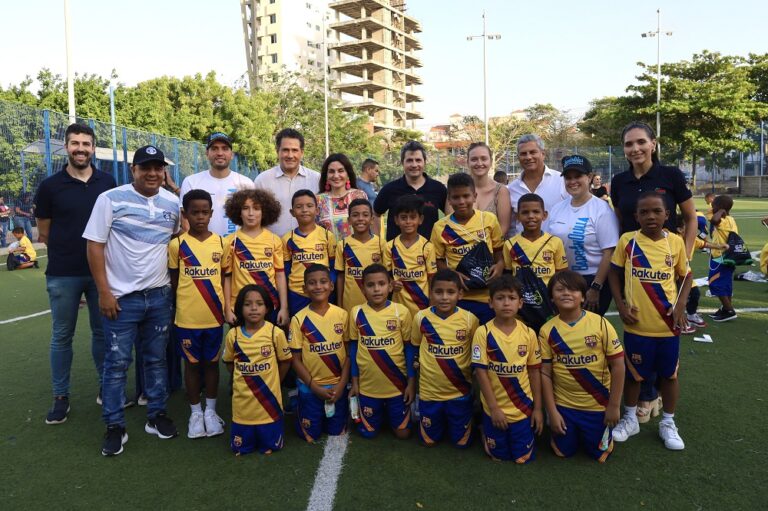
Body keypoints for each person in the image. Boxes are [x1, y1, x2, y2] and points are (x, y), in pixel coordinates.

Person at [84, 145, 181, 456]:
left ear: (164, 171)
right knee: (116, 365)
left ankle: (156, 415)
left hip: (159, 295)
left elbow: (178, 237)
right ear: (133, 170)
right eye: (145, 167)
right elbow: (95, 246)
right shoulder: (109, 199)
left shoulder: (172, 202)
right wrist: (104, 292)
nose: (152, 173)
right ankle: (115, 426)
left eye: (158, 167)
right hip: (121, 299)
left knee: (156, 360)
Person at [34, 123, 117, 424]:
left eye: (86, 143)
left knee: (102, 333)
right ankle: (60, 397)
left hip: (102, 274)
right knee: (61, 336)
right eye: (74, 143)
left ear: (93, 147)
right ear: (66, 147)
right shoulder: (50, 186)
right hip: (63, 274)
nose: (80, 148)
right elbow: (44, 232)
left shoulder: (107, 182)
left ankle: (105, 387)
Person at [608, 191, 692, 451]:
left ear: (668, 214)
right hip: (637, 325)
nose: (650, 216)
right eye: (644, 212)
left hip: (667, 325)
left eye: (657, 211)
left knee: (669, 376)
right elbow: (614, 273)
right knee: (635, 376)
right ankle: (630, 418)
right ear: (636, 216)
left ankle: (668, 422)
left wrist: (680, 304)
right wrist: (621, 305)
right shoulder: (628, 241)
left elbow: (686, 277)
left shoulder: (675, 242)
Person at [539, 271, 625, 462]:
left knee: (599, 454)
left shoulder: (601, 324)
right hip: (564, 407)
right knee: (563, 451)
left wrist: (613, 406)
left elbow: (618, 366)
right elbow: (545, 374)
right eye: (559, 289)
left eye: (573, 289)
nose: (566, 293)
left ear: (583, 296)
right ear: (552, 297)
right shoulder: (547, 331)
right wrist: (551, 412)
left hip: (597, 406)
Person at [168, 189, 230, 439]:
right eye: (195, 212)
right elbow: (174, 281)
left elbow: (225, 277)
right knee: (192, 365)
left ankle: (211, 412)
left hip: (214, 317)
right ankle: (195, 413)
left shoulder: (222, 243)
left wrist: (226, 309)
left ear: (212, 213)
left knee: (212, 364)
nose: (201, 217)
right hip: (187, 319)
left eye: (205, 212)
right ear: (185, 214)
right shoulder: (177, 245)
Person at [471, 275, 543, 463]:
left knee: (522, 458)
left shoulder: (528, 333)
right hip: (495, 409)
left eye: (511, 298)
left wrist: (538, 409)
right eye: (500, 298)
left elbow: (534, 372)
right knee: (498, 457)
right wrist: (494, 408)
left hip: (522, 407)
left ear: (520, 303)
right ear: (490, 303)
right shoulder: (483, 332)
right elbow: (481, 373)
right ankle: (484, 428)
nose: (506, 303)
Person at [410, 269, 479, 448]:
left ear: (460, 294)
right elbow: (415, 348)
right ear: (430, 293)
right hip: (429, 392)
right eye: (438, 292)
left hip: (460, 392)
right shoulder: (421, 318)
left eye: (450, 292)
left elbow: (475, 353)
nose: (444, 297)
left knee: (461, 444)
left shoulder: (470, 320)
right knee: (429, 441)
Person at [348, 264, 416, 439]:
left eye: (381, 284)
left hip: (397, 386)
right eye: (370, 285)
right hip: (368, 387)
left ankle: (391, 411)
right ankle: (379, 412)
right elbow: (354, 349)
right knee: (368, 433)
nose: (376, 289)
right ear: (362, 288)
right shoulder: (356, 312)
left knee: (403, 434)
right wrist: (354, 382)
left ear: (390, 286)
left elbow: (409, 349)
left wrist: (410, 382)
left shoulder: (401, 312)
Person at [223, 284, 292, 455]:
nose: (254, 308)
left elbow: (285, 362)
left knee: (270, 447)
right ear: (240, 308)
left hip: (269, 405)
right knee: (241, 448)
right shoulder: (234, 335)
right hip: (242, 407)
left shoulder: (275, 333)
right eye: (248, 304)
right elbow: (230, 363)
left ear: (267, 307)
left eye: (259, 304)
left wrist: (276, 380)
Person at [610, 121, 698, 256]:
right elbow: (619, 223)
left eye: (641, 142)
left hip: (666, 262)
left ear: (653, 144)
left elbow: (691, 217)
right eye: (629, 144)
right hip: (631, 262)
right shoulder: (618, 181)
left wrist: (686, 255)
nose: (635, 149)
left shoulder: (672, 175)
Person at [548, 155, 619, 315]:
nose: (572, 181)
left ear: (589, 177)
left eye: (578, 176)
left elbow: (609, 252)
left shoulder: (601, 209)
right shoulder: (557, 209)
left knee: (588, 333)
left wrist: (596, 287)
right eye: (568, 177)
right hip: (564, 280)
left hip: (592, 280)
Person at [431, 173, 504, 325]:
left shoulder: (488, 220)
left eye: (466, 196)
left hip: (486, 297)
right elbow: (437, 259)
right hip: (458, 297)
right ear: (449, 199)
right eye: (456, 197)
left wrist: (500, 266)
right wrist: (451, 273)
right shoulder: (440, 227)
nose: (462, 201)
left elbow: (499, 250)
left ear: (475, 196)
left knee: (484, 341)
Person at [288, 264, 350, 442]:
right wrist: (314, 387)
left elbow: (348, 355)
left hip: (337, 387)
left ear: (331, 286)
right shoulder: (298, 318)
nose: (318, 287)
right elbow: (295, 359)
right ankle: (298, 400)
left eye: (323, 282)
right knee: (310, 435)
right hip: (311, 387)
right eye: (312, 283)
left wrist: (341, 386)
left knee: (337, 432)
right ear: (304, 288)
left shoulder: (341, 315)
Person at [222, 189, 288, 327]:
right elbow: (226, 278)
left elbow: (280, 275)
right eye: (245, 208)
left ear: (264, 212)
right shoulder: (229, 241)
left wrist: (284, 307)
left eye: (256, 208)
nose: (251, 213)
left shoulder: (274, 240)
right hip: (240, 307)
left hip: (269, 306)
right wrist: (227, 309)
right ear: (238, 212)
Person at [179, 132, 255, 236]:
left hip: (237, 250)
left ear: (232, 154)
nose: (220, 153)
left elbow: (253, 220)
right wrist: (196, 247)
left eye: (225, 148)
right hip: (203, 249)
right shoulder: (191, 182)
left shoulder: (246, 183)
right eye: (214, 148)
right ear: (207, 153)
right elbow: (185, 221)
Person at [374, 140, 447, 241]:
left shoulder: (438, 189)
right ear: (402, 163)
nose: (414, 165)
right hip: (395, 254)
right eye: (409, 160)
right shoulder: (389, 189)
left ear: (424, 162)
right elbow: (376, 214)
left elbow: (451, 216)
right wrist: (377, 243)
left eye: (418, 160)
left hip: (428, 253)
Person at [254, 129, 320, 237]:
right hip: (273, 249)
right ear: (277, 151)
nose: (290, 155)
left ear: (302, 153)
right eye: (285, 150)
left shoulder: (316, 179)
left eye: (294, 150)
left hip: (309, 250)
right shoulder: (262, 181)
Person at [382, 194, 437, 318]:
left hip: (423, 305)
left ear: (420, 219)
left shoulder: (427, 247)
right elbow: (386, 276)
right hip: (398, 308)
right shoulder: (390, 247)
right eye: (403, 217)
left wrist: (432, 305)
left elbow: (432, 279)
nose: (408, 222)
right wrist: (391, 283)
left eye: (412, 217)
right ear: (396, 220)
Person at [282, 190, 336, 316]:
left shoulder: (328, 236)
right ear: (292, 212)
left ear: (317, 211)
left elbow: (334, 267)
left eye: (309, 206)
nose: (304, 210)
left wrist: (327, 286)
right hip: (297, 293)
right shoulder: (287, 239)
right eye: (299, 207)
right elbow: (286, 270)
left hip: (323, 292)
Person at [675, 216, 727, 335]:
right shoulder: (674, 240)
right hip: (674, 275)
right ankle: (678, 323)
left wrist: (719, 246)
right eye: (689, 225)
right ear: (679, 229)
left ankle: (691, 315)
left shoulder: (691, 238)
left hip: (685, 272)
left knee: (694, 294)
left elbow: (703, 244)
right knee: (677, 299)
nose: (695, 228)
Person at [507, 134, 568, 236]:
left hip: (556, 249)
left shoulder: (561, 181)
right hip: (522, 250)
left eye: (533, 152)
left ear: (543, 154)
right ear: (518, 157)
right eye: (523, 154)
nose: (528, 157)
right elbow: (512, 226)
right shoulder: (512, 188)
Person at [503, 193, 568, 285]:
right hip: (521, 296)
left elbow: (561, 274)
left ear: (544, 215)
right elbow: (508, 275)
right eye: (525, 212)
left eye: (536, 212)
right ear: (518, 216)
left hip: (547, 296)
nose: (530, 216)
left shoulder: (555, 242)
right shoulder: (509, 244)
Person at [334, 198, 381, 311]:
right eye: (355, 215)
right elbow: (340, 277)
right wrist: (340, 305)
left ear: (372, 219)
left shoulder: (381, 244)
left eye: (365, 215)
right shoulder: (343, 245)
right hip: (350, 305)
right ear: (349, 220)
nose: (360, 219)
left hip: (376, 306)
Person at [316, 153, 369, 239]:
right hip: (328, 251)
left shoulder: (359, 195)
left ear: (348, 174)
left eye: (341, 171)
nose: (336, 176)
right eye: (331, 171)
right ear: (326, 176)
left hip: (356, 250)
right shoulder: (318, 200)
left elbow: (368, 225)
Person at [464, 142, 512, 236]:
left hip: (494, 248)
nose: (479, 163)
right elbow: (451, 225)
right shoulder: (457, 191)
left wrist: (484, 248)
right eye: (474, 159)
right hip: (462, 249)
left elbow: (503, 227)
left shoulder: (501, 191)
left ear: (490, 161)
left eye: (484, 159)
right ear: (468, 162)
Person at [707, 194, 739, 322]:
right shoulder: (730, 219)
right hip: (728, 257)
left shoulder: (723, 221)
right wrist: (718, 209)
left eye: (713, 205)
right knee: (725, 285)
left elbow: (714, 220)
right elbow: (710, 215)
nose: (711, 207)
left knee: (715, 283)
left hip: (721, 258)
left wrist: (720, 210)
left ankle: (729, 310)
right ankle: (725, 308)